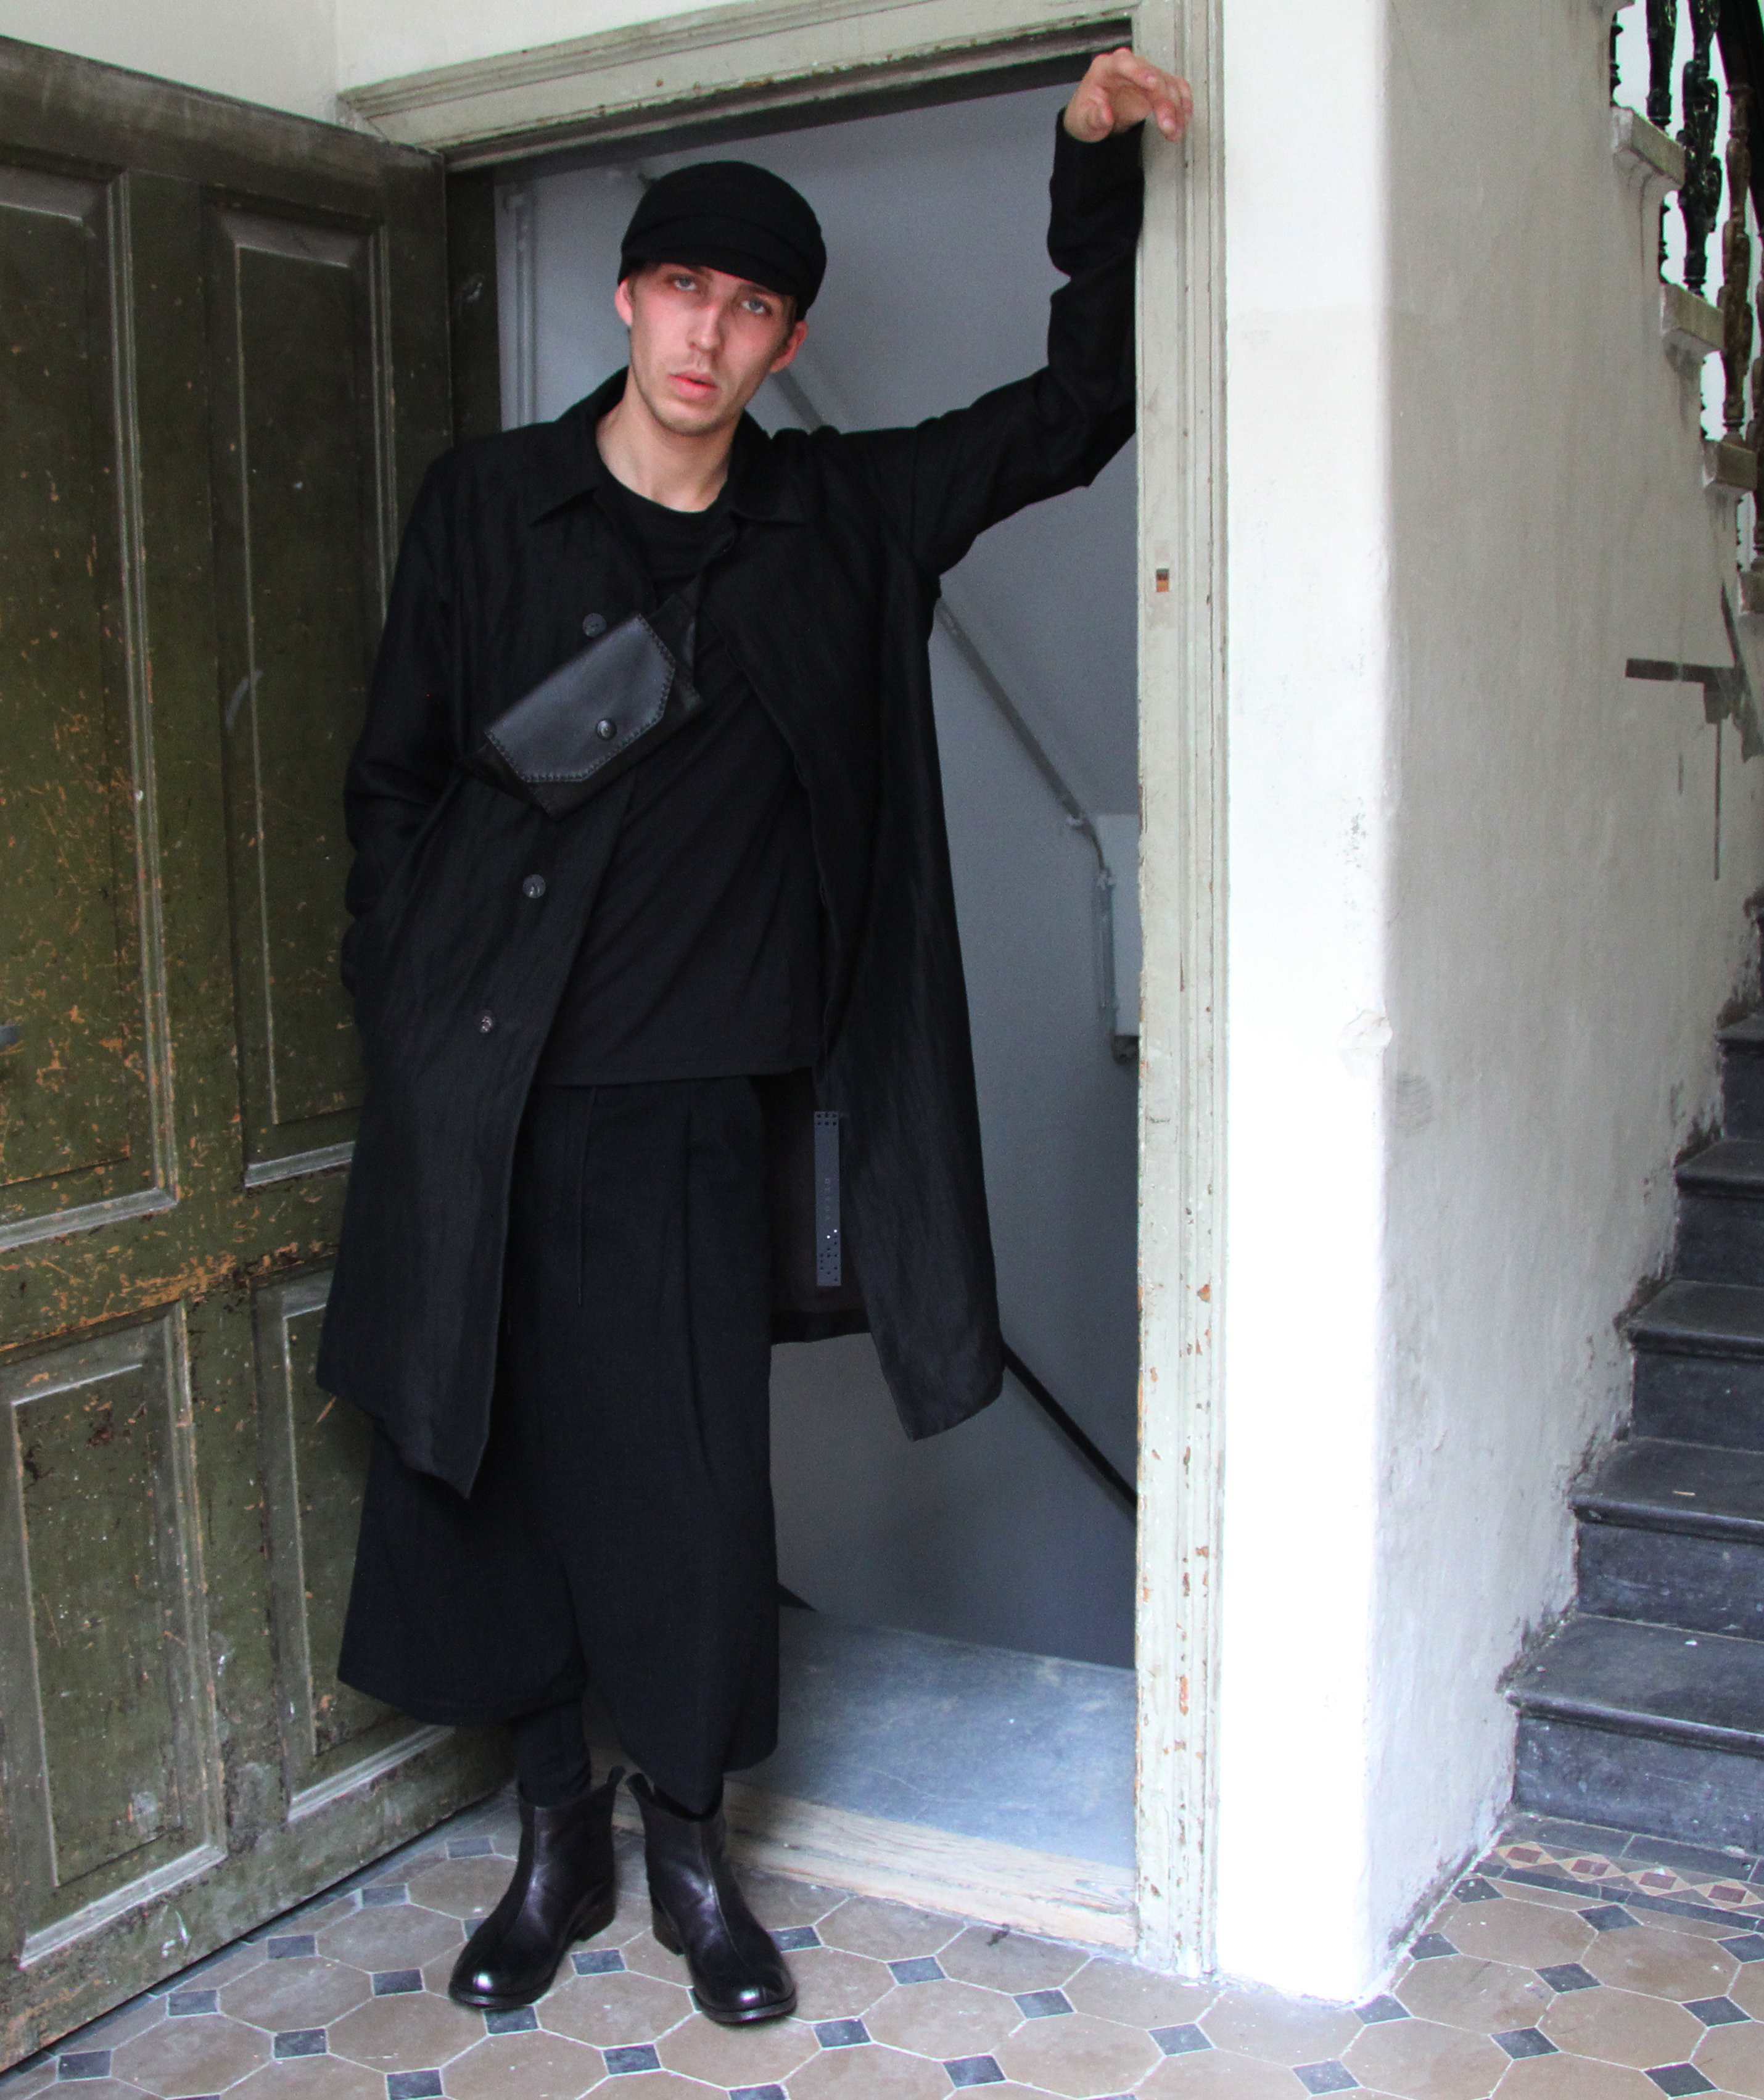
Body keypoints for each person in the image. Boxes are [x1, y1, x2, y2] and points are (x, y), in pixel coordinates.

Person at [316, 48, 1193, 2027]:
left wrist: (1084, 171)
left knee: (693, 1489)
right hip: (495, 1099)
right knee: (497, 1470)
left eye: (754, 307)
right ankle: (554, 1843)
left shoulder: (842, 519)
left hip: (706, 1112)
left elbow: (1083, 408)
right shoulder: (491, 507)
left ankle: (692, 1853)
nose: (710, 335)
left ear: (788, 340)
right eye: (685, 291)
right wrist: (404, 996)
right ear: (630, 298)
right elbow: (393, 783)